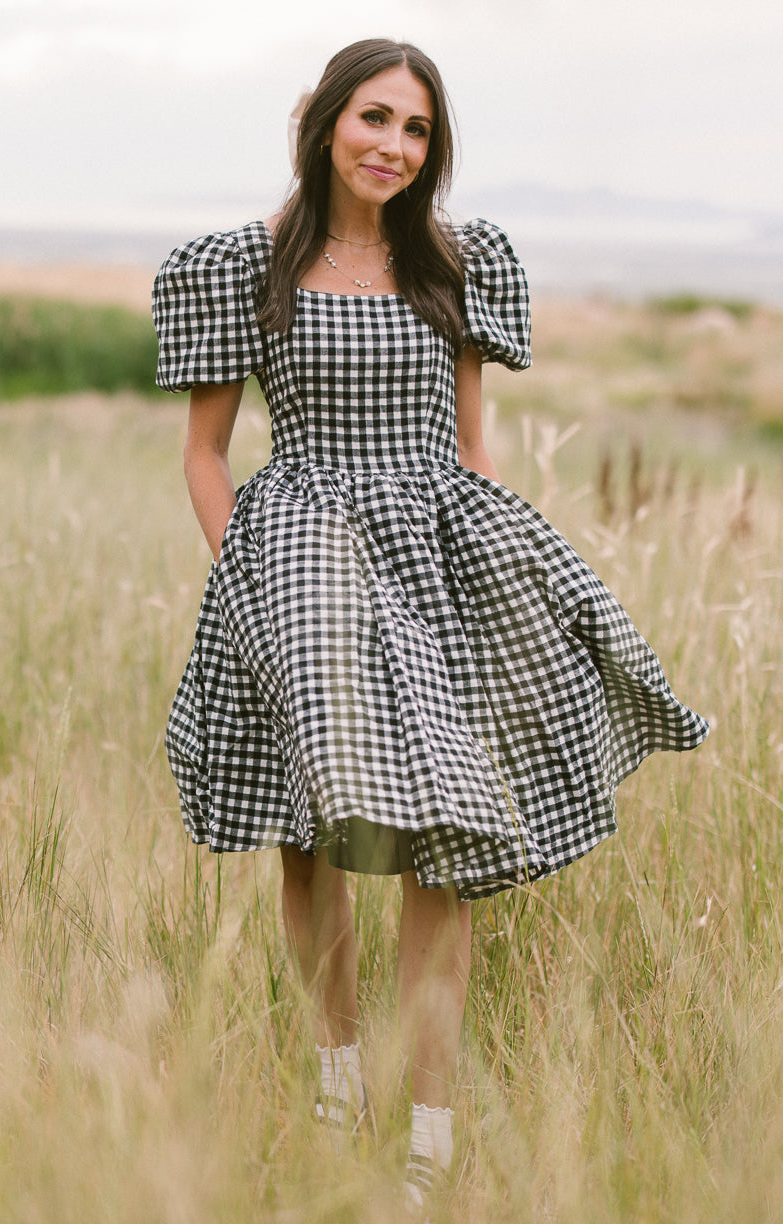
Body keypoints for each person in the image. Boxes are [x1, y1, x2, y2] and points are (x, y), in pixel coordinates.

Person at [152, 37, 709, 1209]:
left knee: (444, 838)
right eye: (373, 119)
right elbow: (205, 456)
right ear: (321, 124)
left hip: (433, 557)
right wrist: (250, 574)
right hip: (298, 555)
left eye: (415, 130)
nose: (392, 148)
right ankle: (336, 1082)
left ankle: (431, 1143)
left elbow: (471, 449)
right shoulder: (239, 268)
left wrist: (502, 576)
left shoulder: (460, 262)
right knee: (314, 834)